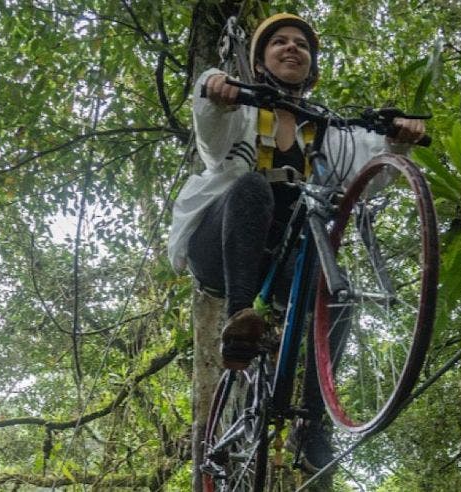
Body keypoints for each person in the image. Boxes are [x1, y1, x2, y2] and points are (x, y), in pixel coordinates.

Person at [167, 13, 425, 471]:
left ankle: (313, 424)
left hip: (284, 261)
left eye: (301, 45)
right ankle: (238, 325)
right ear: (261, 62)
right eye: (279, 43)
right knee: (250, 186)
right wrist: (216, 87)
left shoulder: (328, 129)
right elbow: (209, 123)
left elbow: (374, 166)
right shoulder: (242, 110)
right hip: (220, 249)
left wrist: (398, 136)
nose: (291, 49)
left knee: (337, 293)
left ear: (311, 65)